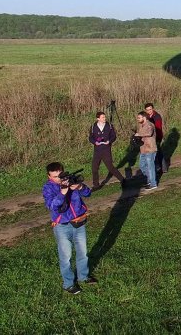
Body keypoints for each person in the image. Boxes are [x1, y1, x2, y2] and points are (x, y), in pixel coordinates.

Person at [42, 161, 96, 294]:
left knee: (83, 252)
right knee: (65, 256)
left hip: (79, 222)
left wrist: (80, 187)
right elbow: (52, 206)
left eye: (60, 175)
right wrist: (63, 193)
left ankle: (83, 276)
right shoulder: (48, 188)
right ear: (49, 177)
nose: (58, 178)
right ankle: (68, 284)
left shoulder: (71, 180)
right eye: (55, 176)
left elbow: (88, 193)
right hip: (62, 226)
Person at [88, 111, 125, 190]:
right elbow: (90, 137)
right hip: (97, 150)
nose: (105, 118)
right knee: (94, 168)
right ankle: (96, 185)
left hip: (106, 149)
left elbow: (114, 136)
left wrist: (109, 141)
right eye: (103, 117)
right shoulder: (93, 127)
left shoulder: (109, 126)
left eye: (105, 117)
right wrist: (94, 142)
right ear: (98, 118)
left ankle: (122, 180)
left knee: (110, 167)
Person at [134, 111, 158, 189]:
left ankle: (153, 183)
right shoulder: (141, 126)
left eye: (139, 117)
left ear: (144, 117)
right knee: (142, 166)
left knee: (150, 166)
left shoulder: (150, 125)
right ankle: (150, 180)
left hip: (150, 148)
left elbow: (149, 133)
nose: (138, 119)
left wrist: (139, 134)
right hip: (143, 149)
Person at [144, 103, 166, 174]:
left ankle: (162, 167)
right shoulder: (146, 117)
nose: (149, 111)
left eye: (150, 109)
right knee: (156, 152)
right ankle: (160, 167)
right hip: (150, 137)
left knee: (157, 152)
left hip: (157, 136)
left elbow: (158, 128)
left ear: (153, 109)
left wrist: (157, 138)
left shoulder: (157, 116)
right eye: (147, 110)